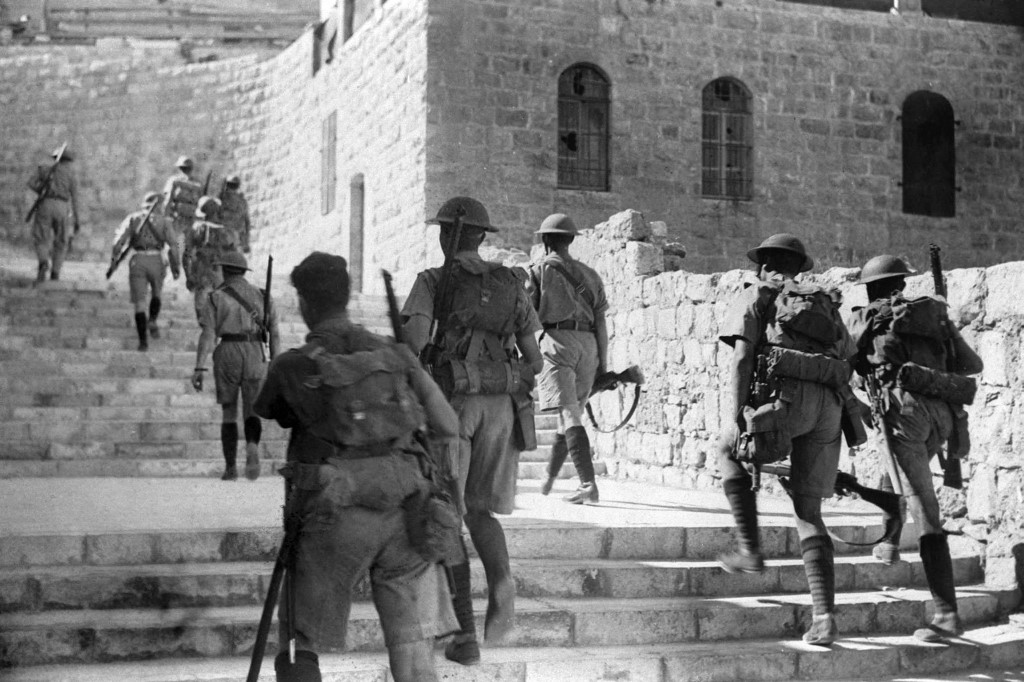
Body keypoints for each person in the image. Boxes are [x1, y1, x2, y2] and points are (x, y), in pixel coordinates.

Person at [254, 251, 459, 682]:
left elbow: (270, 409)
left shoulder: (294, 364)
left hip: (334, 513)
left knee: (299, 641)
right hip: (407, 510)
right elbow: (447, 424)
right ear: (347, 297)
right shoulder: (394, 353)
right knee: (411, 645)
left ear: (305, 304)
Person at [402, 196, 543, 665]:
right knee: (482, 510)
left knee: (448, 510)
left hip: (453, 405)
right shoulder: (511, 284)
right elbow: (536, 360)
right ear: (483, 237)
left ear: (445, 235)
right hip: (502, 405)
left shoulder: (432, 281)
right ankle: (502, 580)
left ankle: (463, 636)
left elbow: (412, 344)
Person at [716, 233, 856, 646]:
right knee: (809, 510)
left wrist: (736, 419)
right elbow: (847, 354)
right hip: (828, 407)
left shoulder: (757, 293)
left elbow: (743, 357)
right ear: (800, 268)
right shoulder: (825, 302)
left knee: (727, 451)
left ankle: (749, 550)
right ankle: (825, 617)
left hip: (783, 403)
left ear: (763, 265)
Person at [847, 254, 983, 642]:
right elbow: (972, 364)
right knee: (902, 471)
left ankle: (946, 614)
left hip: (903, 413)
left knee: (924, 504)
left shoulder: (864, 318)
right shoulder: (932, 315)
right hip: (943, 415)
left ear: (871, 287)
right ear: (903, 285)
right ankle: (890, 543)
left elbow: (843, 364)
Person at [525, 213, 609, 504]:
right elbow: (602, 323)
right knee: (569, 414)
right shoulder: (591, 274)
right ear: (571, 240)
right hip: (589, 346)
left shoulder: (539, 271)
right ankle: (549, 479)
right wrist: (603, 366)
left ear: (545, 241)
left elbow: (527, 317)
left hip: (558, 342)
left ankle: (588, 485)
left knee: (569, 413)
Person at [192, 251, 279, 481]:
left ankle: (231, 468)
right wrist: (275, 365)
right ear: (243, 272)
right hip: (255, 351)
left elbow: (208, 333)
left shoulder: (216, 297)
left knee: (229, 412)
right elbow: (275, 334)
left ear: (225, 271)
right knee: (252, 410)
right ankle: (252, 445)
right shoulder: (263, 295)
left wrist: (199, 367)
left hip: (228, 351)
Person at [109, 191, 181, 351]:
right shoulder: (165, 222)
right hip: (156, 260)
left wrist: (114, 260)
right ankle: (152, 320)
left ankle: (143, 342)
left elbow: (118, 242)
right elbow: (174, 246)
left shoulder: (133, 219)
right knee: (157, 293)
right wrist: (176, 266)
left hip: (138, 260)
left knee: (139, 303)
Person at [182, 196, 240, 322]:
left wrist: (188, 276)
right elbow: (237, 258)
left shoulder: (196, 228)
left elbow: (187, 254)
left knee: (202, 311)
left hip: (202, 272)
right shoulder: (229, 232)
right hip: (222, 274)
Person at [26, 145, 79, 283]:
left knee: (41, 237)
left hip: (45, 204)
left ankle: (43, 262)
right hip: (62, 206)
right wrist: (77, 219)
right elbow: (75, 198)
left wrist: (41, 191)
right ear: (67, 160)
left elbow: (31, 182)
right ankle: (55, 272)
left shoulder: (45, 169)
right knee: (61, 240)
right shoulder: (71, 175)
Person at [161, 155, 201, 253]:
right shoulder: (198, 183)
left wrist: (165, 217)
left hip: (178, 218)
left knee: (174, 246)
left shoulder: (174, 181)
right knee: (189, 247)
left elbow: (168, 200)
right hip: (191, 218)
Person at [218, 174, 252, 254]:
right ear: (238, 186)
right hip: (236, 239)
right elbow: (247, 222)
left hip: (221, 236)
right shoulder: (242, 201)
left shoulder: (221, 198)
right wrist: (246, 242)